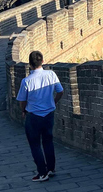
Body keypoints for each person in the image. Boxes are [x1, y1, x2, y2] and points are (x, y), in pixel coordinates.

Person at [16, 51, 63, 182]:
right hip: (49, 114)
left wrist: (23, 110)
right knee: (48, 141)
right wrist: (54, 101)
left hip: (34, 116)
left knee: (35, 144)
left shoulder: (26, 81)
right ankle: (51, 169)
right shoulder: (51, 74)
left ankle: (42, 173)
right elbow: (60, 91)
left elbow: (22, 100)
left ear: (30, 64)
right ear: (42, 61)